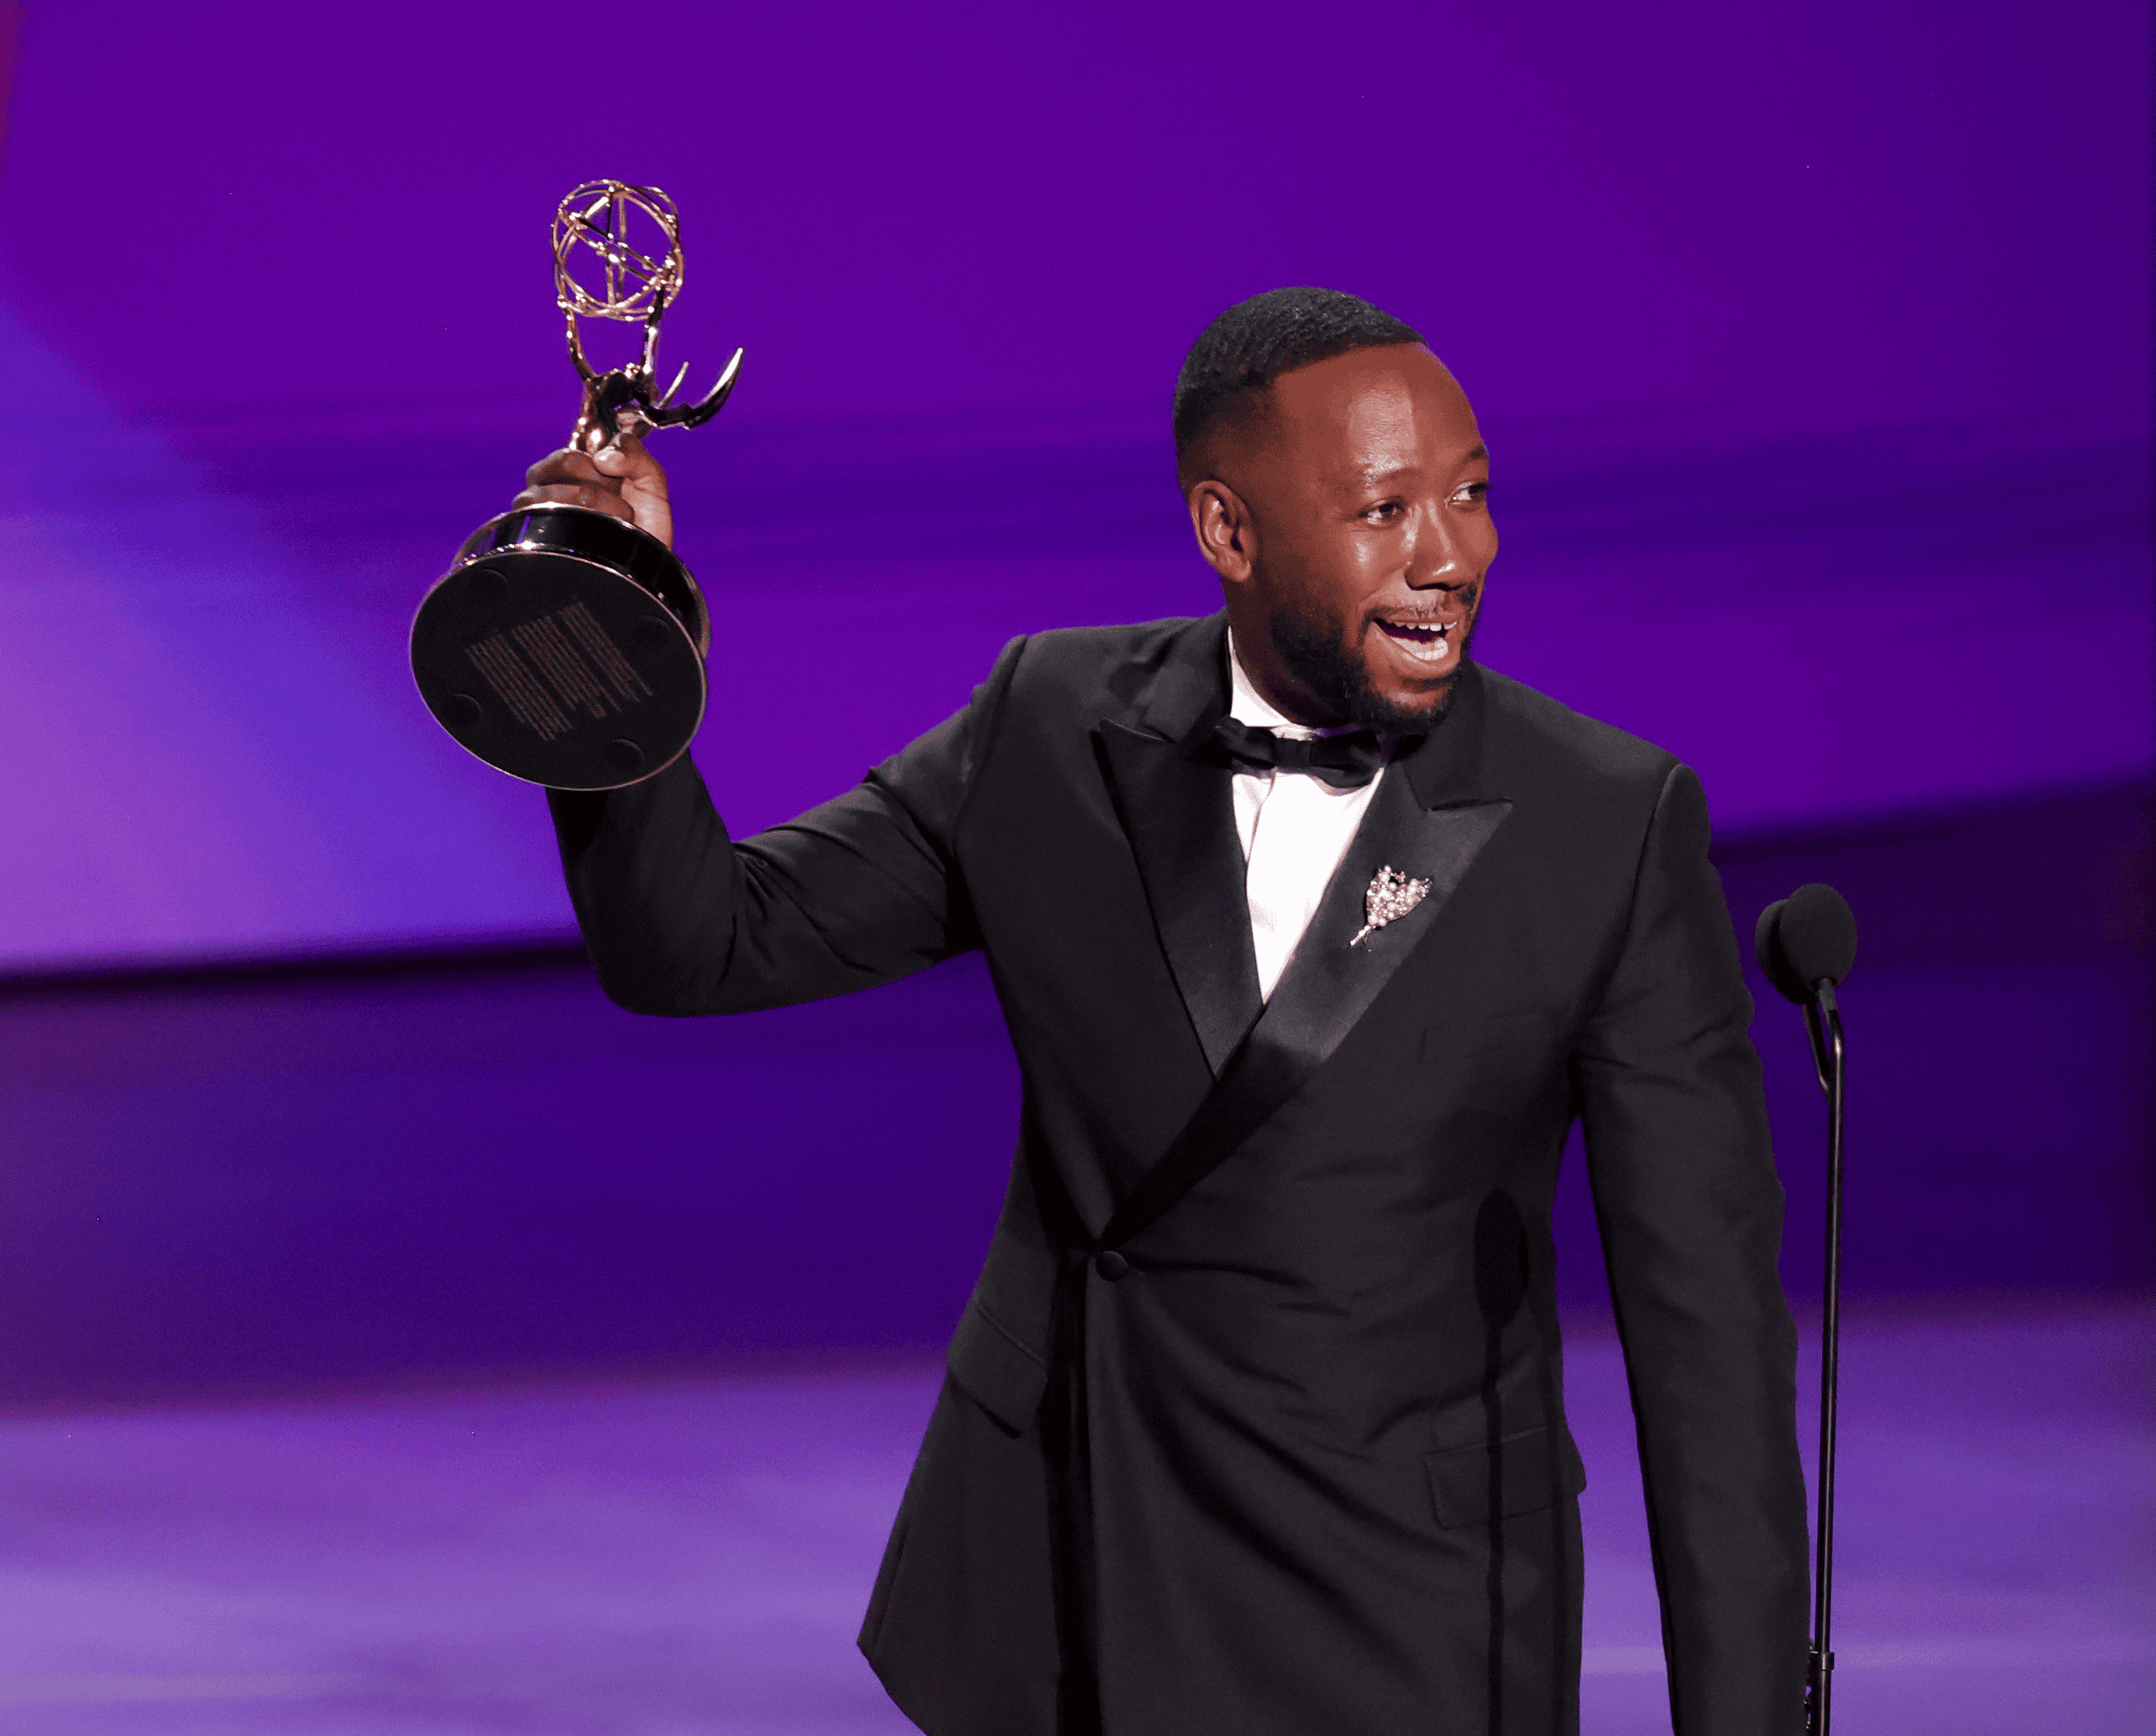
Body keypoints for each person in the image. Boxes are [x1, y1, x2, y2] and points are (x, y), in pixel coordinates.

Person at [517, 287, 1811, 1735]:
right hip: (1070, 1598)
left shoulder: (1605, 824)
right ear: (1228, 533)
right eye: (1387, 510)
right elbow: (703, 945)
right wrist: (603, 639)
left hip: (1408, 1625)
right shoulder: (1051, 725)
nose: (1455, 555)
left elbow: (1711, 1354)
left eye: (1473, 492)